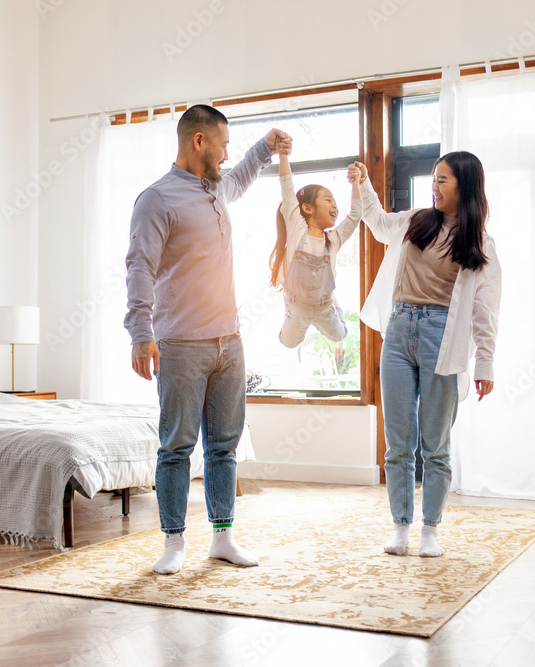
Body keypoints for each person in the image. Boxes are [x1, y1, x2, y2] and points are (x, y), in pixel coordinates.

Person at [124, 104, 292, 575]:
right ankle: (173, 544)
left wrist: (266, 145)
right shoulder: (156, 200)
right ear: (199, 141)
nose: (226, 154)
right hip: (180, 343)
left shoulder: (216, 188)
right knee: (176, 446)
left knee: (224, 446)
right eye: (223, 144)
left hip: (229, 342)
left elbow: (238, 177)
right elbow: (139, 267)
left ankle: (222, 536)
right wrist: (141, 334)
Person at [350, 152, 501, 558]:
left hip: (441, 338)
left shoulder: (479, 242)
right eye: (433, 180)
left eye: (443, 181)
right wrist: (362, 184)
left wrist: (484, 362)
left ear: (465, 186)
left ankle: (430, 529)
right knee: (398, 443)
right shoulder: (417, 221)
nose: (434, 187)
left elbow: (485, 310)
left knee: (435, 444)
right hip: (400, 331)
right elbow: (380, 224)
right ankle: (400, 526)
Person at [268, 150, 362, 348]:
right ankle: (293, 317)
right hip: (296, 306)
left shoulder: (334, 239)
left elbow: (354, 216)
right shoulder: (297, 227)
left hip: (324, 306)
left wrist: (356, 183)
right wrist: (283, 155)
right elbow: (286, 185)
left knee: (340, 335)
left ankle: (334, 306)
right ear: (307, 208)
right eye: (328, 200)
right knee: (288, 343)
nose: (335, 206)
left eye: (335, 203)